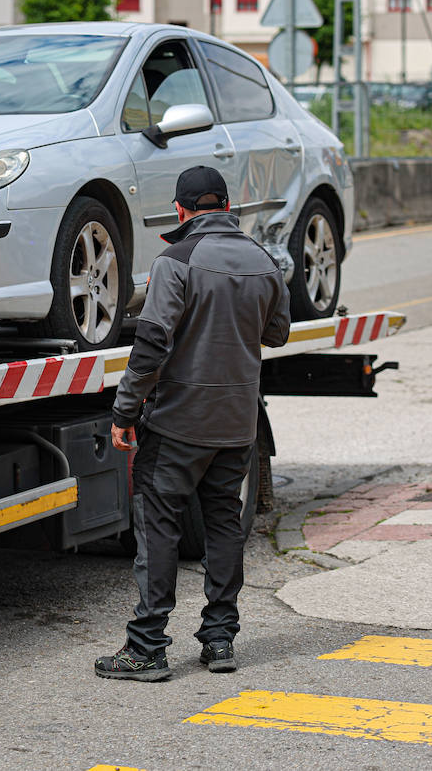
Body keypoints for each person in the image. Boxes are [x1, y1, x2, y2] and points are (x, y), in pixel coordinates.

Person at [95, 165, 290, 682]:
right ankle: (220, 639)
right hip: (236, 423)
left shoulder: (175, 259)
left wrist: (124, 411)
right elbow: (278, 334)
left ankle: (146, 647)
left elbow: (152, 344)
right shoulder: (263, 261)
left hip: (179, 422)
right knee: (224, 525)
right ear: (226, 205)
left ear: (181, 210)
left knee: (158, 526)